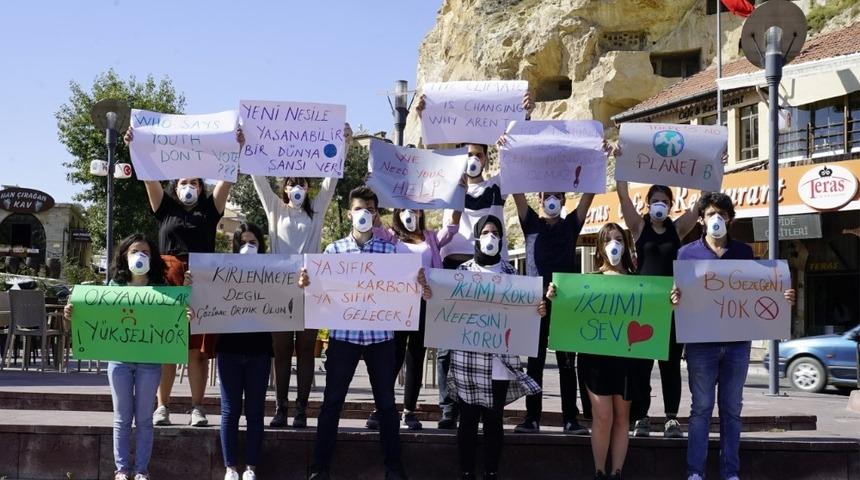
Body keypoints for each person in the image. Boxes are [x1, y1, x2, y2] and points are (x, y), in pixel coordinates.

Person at [415, 92, 534, 430]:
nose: (473, 160)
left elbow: (518, 159)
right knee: (446, 343)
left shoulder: (497, 186)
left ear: (486, 158)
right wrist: (426, 118)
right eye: (468, 155)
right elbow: (424, 165)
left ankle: (487, 403)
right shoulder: (450, 186)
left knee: (487, 339)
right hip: (455, 268)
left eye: (479, 155)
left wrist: (524, 115)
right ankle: (449, 407)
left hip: (491, 271)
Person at [671, 192, 796, 480]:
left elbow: (758, 292)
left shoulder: (744, 253)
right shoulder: (686, 253)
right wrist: (676, 298)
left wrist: (782, 296)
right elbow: (681, 295)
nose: (717, 218)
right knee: (701, 409)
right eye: (711, 213)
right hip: (701, 344)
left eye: (722, 214)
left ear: (730, 218)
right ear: (701, 220)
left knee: (731, 409)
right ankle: (695, 472)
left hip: (737, 344)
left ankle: (730, 473)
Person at [124, 126, 243, 427]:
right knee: (167, 346)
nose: (188, 186)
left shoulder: (211, 209)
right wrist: (134, 146)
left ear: (201, 187)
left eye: (194, 182)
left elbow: (228, 176)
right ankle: (162, 406)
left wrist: (236, 148)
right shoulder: (164, 207)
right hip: (168, 279)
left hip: (202, 278)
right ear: (175, 187)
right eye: (182, 182)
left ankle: (197, 407)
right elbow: (147, 174)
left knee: (197, 351)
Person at [307, 186, 428, 480]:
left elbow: (408, 290)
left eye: (370, 210)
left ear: (376, 215)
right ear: (350, 213)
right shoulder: (333, 251)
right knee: (332, 403)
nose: (364, 214)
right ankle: (319, 469)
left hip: (381, 341)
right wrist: (307, 282)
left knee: (386, 405)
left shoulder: (392, 251)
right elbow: (319, 292)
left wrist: (418, 281)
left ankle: (394, 468)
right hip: (343, 339)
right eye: (359, 209)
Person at [424, 214, 542, 480]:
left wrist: (538, 308)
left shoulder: (512, 273)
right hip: (467, 359)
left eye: (496, 233)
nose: (491, 237)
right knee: (467, 420)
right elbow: (444, 305)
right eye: (486, 232)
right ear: (477, 237)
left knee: (493, 419)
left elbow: (524, 311)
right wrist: (430, 294)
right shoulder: (462, 273)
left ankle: (491, 470)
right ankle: (466, 470)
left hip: (500, 361)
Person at [251, 123, 352, 429]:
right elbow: (258, 178)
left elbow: (331, 180)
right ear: (284, 187)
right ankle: (280, 408)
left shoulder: (317, 210)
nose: (297, 188)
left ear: (308, 188)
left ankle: (301, 409)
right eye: (292, 183)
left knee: (306, 349)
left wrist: (343, 144)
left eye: (303, 184)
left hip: (310, 286)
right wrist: (247, 144)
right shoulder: (275, 209)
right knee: (281, 351)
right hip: (280, 289)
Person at [508, 138, 599, 434]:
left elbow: (589, 195)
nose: (553, 199)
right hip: (536, 303)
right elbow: (516, 191)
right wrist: (509, 152)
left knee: (565, 364)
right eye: (548, 195)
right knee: (533, 363)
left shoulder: (572, 224)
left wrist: (598, 159)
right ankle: (531, 417)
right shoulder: (530, 223)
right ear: (540, 198)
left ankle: (570, 419)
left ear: (563, 199)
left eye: (558, 196)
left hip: (564, 301)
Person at [64, 234, 170, 480]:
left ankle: (141, 471)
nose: (140, 256)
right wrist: (72, 314)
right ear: (124, 255)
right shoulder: (114, 287)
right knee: (122, 418)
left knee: (144, 419)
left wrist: (184, 314)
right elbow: (94, 315)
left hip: (149, 362)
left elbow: (174, 320)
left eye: (145, 251)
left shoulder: (163, 289)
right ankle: (122, 470)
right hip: (119, 361)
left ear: (152, 258)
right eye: (135, 251)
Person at [549, 222, 648, 480]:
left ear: (625, 245)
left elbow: (654, 316)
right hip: (595, 360)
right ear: (600, 248)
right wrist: (554, 297)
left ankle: (616, 472)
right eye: (607, 239)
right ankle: (599, 471)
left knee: (621, 416)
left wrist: (669, 301)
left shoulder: (639, 284)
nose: (613, 244)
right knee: (602, 415)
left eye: (618, 239)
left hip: (627, 358)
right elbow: (568, 311)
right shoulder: (588, 282)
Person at [186, 224, 273, 480]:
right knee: (230, 410)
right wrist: (192, 282)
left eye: (253, 242)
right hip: (230, 350)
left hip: (259, 350)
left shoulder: (272, 271)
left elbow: (286, 296)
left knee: (256, 411)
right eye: (243, 242)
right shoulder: (221, 272)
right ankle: (231, 467)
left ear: (261, 245)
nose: (248, 246)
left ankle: (251, 468)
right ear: (235, 246)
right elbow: (203, 296)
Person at [366, 206, 460, 430]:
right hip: (397, 304)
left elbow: (451, 228)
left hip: (425, 303)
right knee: (394, 356)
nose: (410, 214)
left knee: (416, 358)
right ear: (397, 213)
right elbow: (375, 224)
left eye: (415, 210)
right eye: (405, 210)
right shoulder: (391, 237)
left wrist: (457, 198)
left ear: (421, 213)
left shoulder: (430, 238)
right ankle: (382, 407)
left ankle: (409, 411)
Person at [616, 181, 697, 438]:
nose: (659, 205)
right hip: (643, 308)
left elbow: (700, 204)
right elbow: (623, 196)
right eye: (655, 201)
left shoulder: (678, 229)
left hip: (670, 307)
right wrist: (622, 167)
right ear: (648, 204)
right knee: (641, 366)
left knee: (670, 365)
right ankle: (641, 417)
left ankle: (671, 418)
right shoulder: (639, 228)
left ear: (671, 205)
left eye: (664, 200)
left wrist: (714, 167)